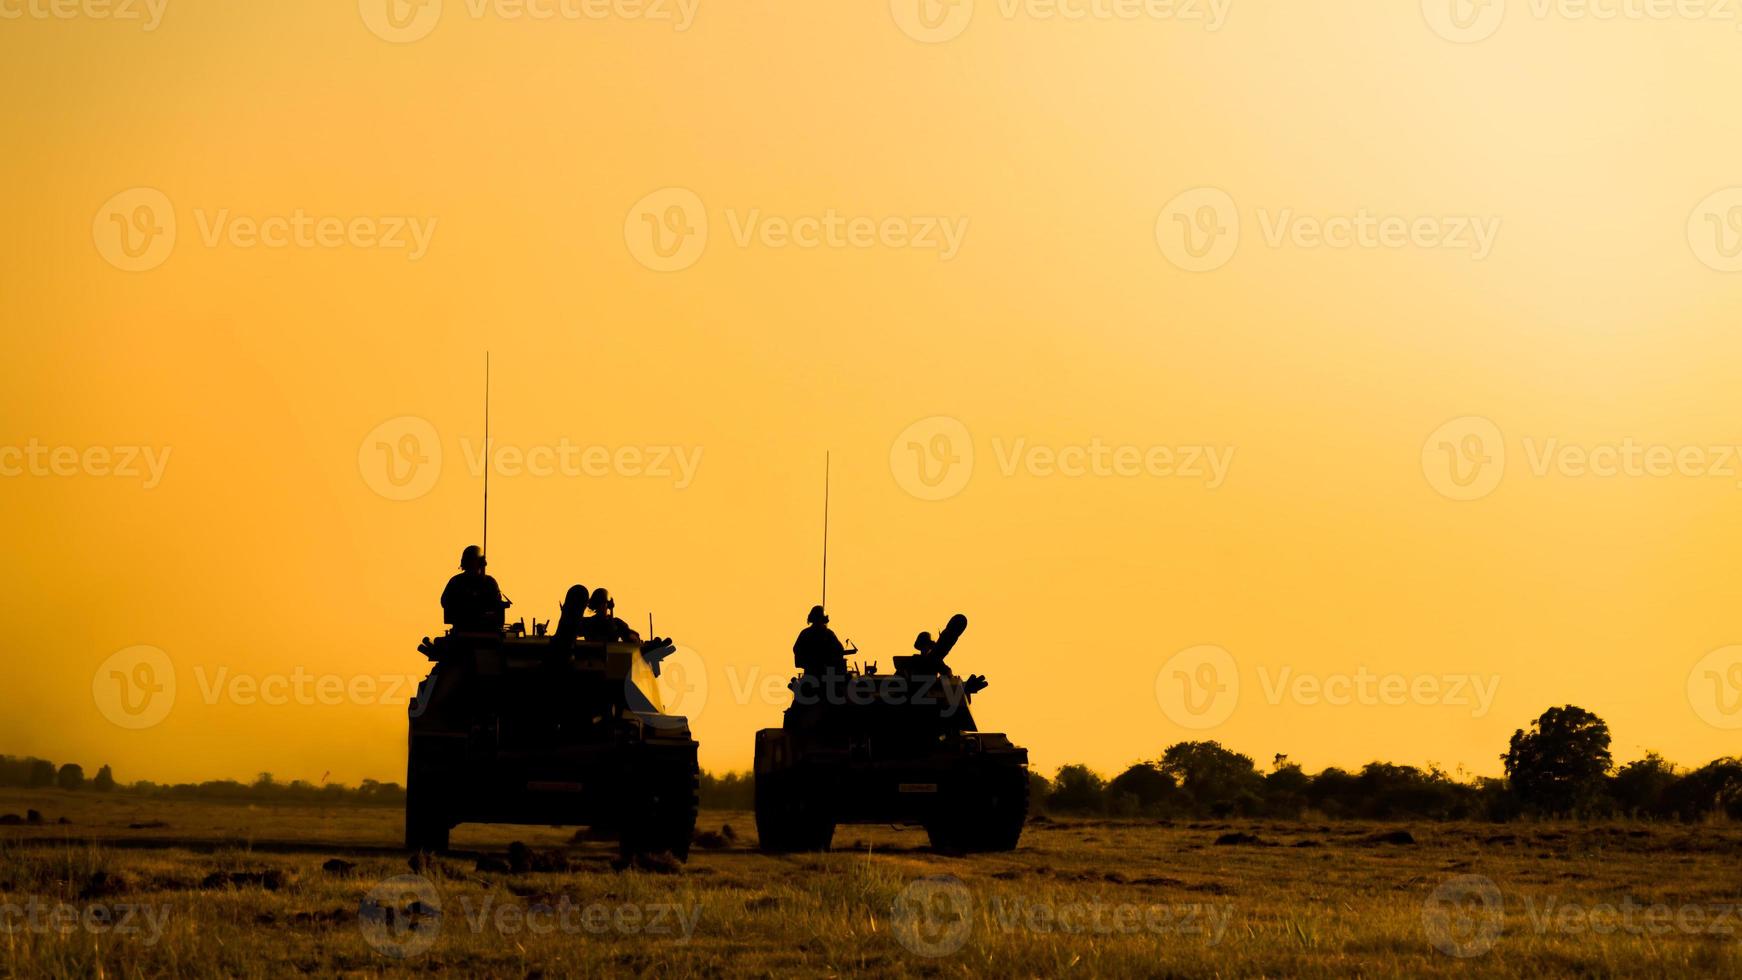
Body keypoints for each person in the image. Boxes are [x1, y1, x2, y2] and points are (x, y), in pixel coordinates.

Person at [441, 545, 510, 632]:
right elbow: (445, 602)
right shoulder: (488, 582)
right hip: (463, 630)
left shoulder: (488, 582)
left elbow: (495, 604)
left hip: (485, 630)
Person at [793, 605, 847, 675]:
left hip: (812, 673)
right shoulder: (828, 634)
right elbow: (839, 650)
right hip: (825, 674)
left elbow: (796, 649)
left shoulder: (805, 633)